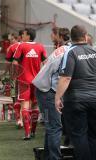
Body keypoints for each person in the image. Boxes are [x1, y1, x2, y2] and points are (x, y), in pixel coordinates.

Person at [55, 25, 96, 160]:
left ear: (72, 38)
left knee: (79, 135)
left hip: (76, 100)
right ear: (85, 36)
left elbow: (66, 77)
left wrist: (57, 97)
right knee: (93, 135)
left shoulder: (70, 52)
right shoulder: (94, 51)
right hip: (94, 99)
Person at [32, 27, 71, 160]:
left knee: (51, 127)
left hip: (43, 90)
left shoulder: (62, 50)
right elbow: (61, 77)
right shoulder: (68, 52)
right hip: (47, 91)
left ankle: (48, 156)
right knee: (54, 127)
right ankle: (54, 157)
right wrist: (58, 97)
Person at [13, 28, 47, 140]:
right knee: (35, 106)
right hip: (36, 81)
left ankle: (27, 133)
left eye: (23, 34)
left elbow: (15, 63)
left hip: (24, 81)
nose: (22, 36)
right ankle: (33, 132)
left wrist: (14, 75)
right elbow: (46, 63)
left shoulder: (21, 46)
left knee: (25, 106)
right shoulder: (40, 47)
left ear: (28, 36)